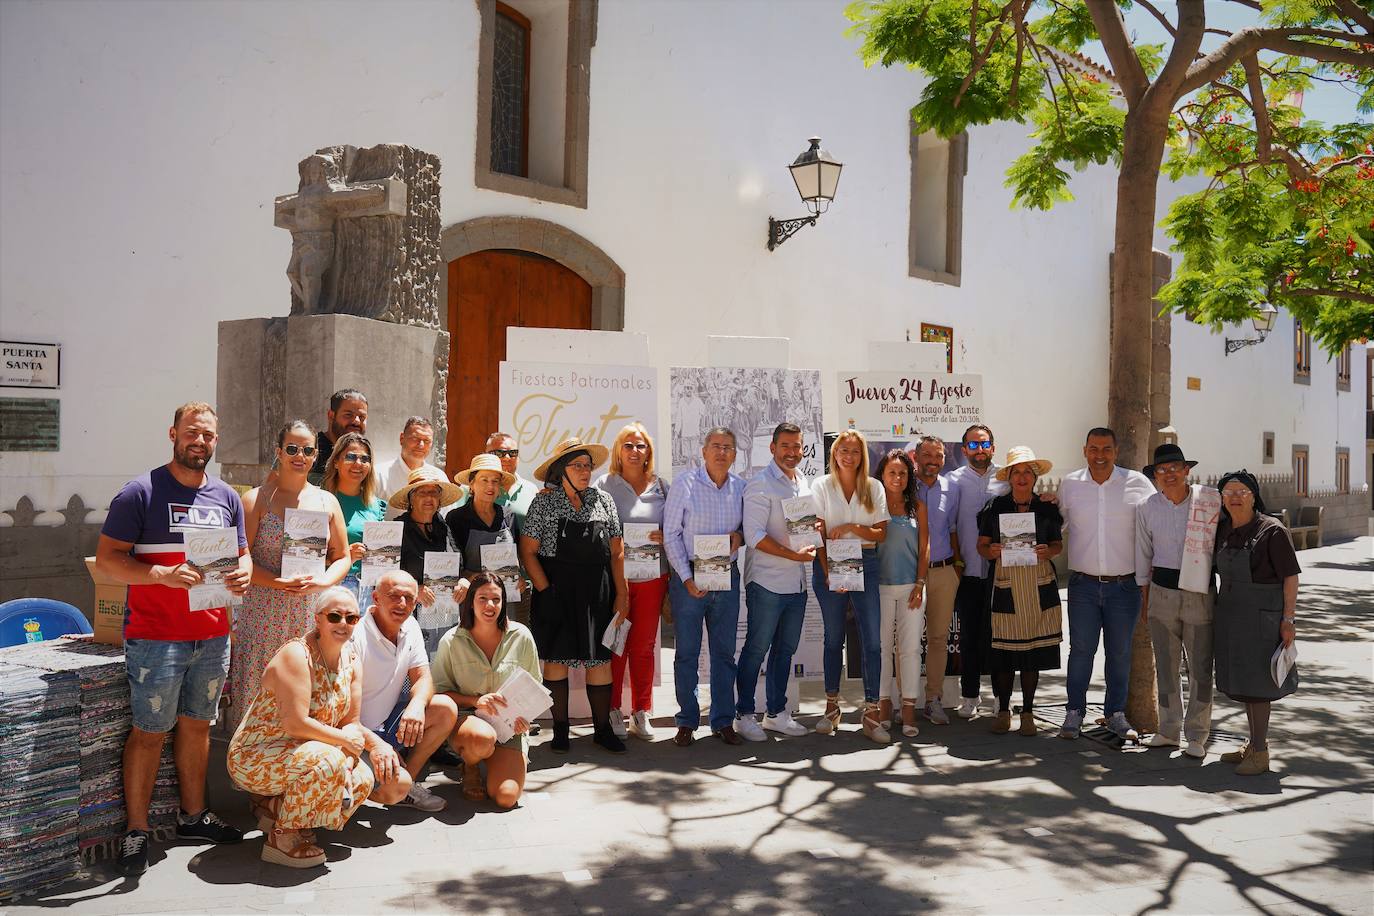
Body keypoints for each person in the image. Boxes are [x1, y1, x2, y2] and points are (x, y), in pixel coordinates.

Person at [95, 401, 252, 876]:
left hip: (212, 635)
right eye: (191, 433)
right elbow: (106, 562)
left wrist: (243, 574)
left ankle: (193, 816)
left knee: (197, 727)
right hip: (157, 638)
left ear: (215, 441)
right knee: (149, 732)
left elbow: (241, 555)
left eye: (207, 435)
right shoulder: (139, 493)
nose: (199, 442)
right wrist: (159, 574)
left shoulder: (226, 496)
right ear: (173, 434)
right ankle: (137, 831)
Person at [227, 588, 376, 868]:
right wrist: (343, 744)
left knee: (363, 778)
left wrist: (350, 755)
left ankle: (279, 812)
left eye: (351, 618)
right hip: (255, 755)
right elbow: (295, 724)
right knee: (328, 761)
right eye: (335, 616)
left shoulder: (352, 661)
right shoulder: (298, 655)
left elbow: (351, 723)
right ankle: (282, 837)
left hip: (305, 752)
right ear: (318, 619)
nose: (343, 623)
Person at [228, 420, 352, 733]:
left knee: (304, 692)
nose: (300, 455)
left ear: (315, 455)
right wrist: (278, 582)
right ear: (279, 452)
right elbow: (241, 558)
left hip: (309, 616)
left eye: (308, 449)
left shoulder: (327, 501)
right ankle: (251, 772)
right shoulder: (256, 499)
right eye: (292, 449)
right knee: (258, 691)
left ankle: (297, 771)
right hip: (262, 614)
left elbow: (343, 556)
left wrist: (323, 581)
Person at [519, 437, 630, 754]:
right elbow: (528, 552)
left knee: (599, 660)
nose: (585, 471)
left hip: (598, 590)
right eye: (577, 465)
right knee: (556, 660)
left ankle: (602, 729)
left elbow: (617, 551)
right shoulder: (544, 503)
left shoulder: (604, 501)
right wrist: (545, 591)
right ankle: (561, 731)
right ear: (560, 471)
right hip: (556, 589)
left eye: (588, 465)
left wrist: (621, 594)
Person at [1057, 427, 1155, 741]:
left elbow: (1153, 529)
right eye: (1094, 449)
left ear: (1116, 451)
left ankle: (1115, 714)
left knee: (1120, 653)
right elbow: (1055, 524)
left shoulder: (1138, 484)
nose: (1100, 456)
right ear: (1084, 450)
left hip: (1124, 588)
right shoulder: (1070, 484)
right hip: (1083, 586)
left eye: (1106, 449)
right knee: (1081, 651)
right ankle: (1074, 713)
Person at [662, 426, 747, 747]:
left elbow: (746, 528)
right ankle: (686, 721)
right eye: (715, 445)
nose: (721, 452)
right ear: (704, 451)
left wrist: (740, 536)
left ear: (735, 454)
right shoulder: (685, 484)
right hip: (688, 582)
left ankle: (723, 720)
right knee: (686, 653)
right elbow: (671, 534)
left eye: (727, 447)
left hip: (726, 579)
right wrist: (686, 578)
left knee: (724, 653)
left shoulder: (740, 487)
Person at [347, 570, 458, 812]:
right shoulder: (355, 635)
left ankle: (407, 783)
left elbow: (423, 677)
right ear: (376, 598)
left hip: (389, 724)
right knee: (393, 788)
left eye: (409, 598)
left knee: (445, 709)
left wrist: (417, 705)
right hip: (353, 734)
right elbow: (341, 712)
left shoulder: (410, 625)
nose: (402, 604)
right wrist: (375, 745)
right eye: (394, 596)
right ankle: (359, 793)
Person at [734, 423, 818, 742]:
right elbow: (753, 535)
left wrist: (815, 528)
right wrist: (793, 556)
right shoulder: (760, 484)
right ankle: (743, 714)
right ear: (772, 448)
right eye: (786, 446)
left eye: (797, 446)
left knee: (785, 651)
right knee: (756, 649)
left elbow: (803, 529)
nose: (792, 452)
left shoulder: (803, 483)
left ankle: (776, 714)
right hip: (767, 583)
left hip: (796, 586)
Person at [1212, 470, 1300, 775]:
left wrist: (1288, 619)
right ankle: (1252, 744)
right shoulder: (1222, 529)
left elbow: (1291, 577)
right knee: (1243, 680)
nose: (1235, 498)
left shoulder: (1272, 531)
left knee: (1259, 684)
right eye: (1228, 493)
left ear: (1254, 496)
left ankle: (1260, 753)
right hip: (1231, 615)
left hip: (1263, 616)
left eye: (1241, 492)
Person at [431, 571, 543, 807]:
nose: (490, 605)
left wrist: (525, 718)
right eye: (482, 598)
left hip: (509, 725)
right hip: (468, 722)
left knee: (506, 797)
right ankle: (470, 764)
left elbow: (535, 687)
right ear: (471, 602)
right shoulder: (452, 641)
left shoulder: (522, 636)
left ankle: (495, 759)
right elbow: (439, 694)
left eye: (496, 599)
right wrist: (475, 701)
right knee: (481, 738)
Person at [1137, 444, 1219, 759]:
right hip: (1162, 593)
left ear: (1186, 470)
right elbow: (1142, 552)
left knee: (1200, 666)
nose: (1169, 474)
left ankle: (1197, 735)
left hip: (1199, 592)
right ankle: (1168, 730)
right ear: (1155, 475)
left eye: (1175, 468)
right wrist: (1144, 595)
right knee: (1167, 667)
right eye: (1162, 470)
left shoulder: (1208, 503)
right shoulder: (1147, 507)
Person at [975, 447, 1064, 736]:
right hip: (1007, 584)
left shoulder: (1047, 509)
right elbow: (982, 546)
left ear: (1035, 477)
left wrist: (1046, 551)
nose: (1023, 477)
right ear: (1010, 477)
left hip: (1039, 584)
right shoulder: (995, 507)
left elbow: (1057, 545)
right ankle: (1003, 709)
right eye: (1017, 472)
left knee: (1032, 653)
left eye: (1028, 472)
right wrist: (993, 550)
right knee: (1004, 652)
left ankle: (1028, 712)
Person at [594, 422, 671, 741]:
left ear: (648, 451)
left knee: (644, 646)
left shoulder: (662, 486)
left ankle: (641, 712)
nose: (635, 451)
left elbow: (677, 527)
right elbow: (594, 528)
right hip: (616, 578)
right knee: (616, 644)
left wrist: (666, 537)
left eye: (641, 445)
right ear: (618, 451)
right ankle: (613, 710)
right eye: (628, 445)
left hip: (654, 576)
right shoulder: (604, 484)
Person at [812, 429, 889, 743]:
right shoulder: (821, 485)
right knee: (833, 640)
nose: (848, 456)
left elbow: (880, 533)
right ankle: (832, 708)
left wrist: (852, 527)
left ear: (862, 456)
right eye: (843, 450)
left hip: (866, 564)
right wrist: (829, 571)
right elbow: (817, 534)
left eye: (855, 451)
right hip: (830, 566)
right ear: (834, 453)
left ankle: (871, 713)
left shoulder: (874, 487)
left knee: (872, 642)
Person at [948, 424, 1007, 718]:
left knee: (999, 638)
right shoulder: (953, 481)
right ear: (964, 450)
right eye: (973, 445)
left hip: (1003, 574)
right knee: (969, 637)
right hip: (968, 572)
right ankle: (970, 696)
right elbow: (950, 527)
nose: (979, 450)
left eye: (984, 445)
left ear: (993, 448)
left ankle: (1001, 698)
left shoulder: (1006, 479)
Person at [875, 449, 930, 737]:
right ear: (882, 476)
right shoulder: (872, 504)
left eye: (902, 473)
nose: (897, 477)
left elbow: (925, 548)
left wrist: (920, 583)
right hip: (880, 588)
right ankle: (884, 708)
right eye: (891, 472)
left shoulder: (917, 507)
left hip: (911, 588)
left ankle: (908, 711)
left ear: (909, 477)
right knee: (882, 650)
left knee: (910, 650)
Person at [388, 465, 468, 651]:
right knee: (413, 669)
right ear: (411, 498)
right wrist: (414, 589)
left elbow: (459, 568)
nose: (429, 498)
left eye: (434, 493)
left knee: (440, 668)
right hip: (408, 616)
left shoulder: (445, 528)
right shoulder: (397, 529)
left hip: (445, 617)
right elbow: (384, 577)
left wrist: (463, 581)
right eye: (422, 492)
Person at [912, 435, 961, 725]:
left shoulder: (951, 488)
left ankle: (933, 700)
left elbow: (953, 528)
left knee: (938, 639)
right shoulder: (904, 485)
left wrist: (957, 565)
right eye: (928, 455)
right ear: (916, 457)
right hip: (910, 573)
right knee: (904, 641)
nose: (933, 461)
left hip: (943, 572)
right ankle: (904, 701)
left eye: (939, 456)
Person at [451, 452, 524, 617]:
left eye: (495, 481)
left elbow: (517, 558)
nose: (490, 486)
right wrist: (480, 578)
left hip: (504, 602)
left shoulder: (508, 515)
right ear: (472, 484)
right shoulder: (457, 518)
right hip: (472, 602)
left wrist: (517, 579)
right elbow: (453, 566)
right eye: (484, 480)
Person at [322, 431, 386, 599]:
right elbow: (308, 554)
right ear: (336, 462)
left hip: (370, 588)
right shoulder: (321, 501)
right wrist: (343, 558)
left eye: (365, 459)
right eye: (351, 457)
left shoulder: (377, 506)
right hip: (334, 585)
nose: (358, 463)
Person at [377, 416, 440, 517]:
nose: (421, 445)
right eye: (415, 439)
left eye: (427, 441)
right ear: (402, 438)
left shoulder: (440, 477)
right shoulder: (379, 475)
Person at [486, 431, 539, 537]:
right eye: (499, 453)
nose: (507, 457)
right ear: (487, 455)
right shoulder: (469, 489)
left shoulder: (531, 490)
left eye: (513, 453)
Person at [309, 388, 368, 482]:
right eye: (348, 415)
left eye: (362, 417)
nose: (356, 421)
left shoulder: (365, 454)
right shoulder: (309, 448)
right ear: (331, 415)